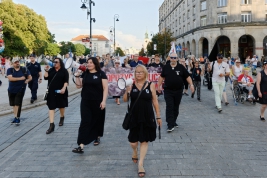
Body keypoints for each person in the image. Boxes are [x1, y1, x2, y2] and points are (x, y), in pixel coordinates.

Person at [123, 64, 161, 177]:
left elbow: (155, 101)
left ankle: (141, 164)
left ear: (145, 73)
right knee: (133, 142)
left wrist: (158, 116)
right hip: (134, 117)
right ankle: (134, 151)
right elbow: (125, 100)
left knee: (144, 140)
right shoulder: (131, 85)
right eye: (137, 72)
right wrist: (127, 91)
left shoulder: (151, 85)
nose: (138, 73)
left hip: (147, 116)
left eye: (141, 72)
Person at [72, 57, 108, 153]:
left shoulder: (101, 74)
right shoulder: (85, 74)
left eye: (91, 62)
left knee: (97, 121)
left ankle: (97, 137)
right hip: (86, 101)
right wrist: (77, 76)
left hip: (98, 101)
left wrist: (104, 101)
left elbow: (105, 88)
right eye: (88, 63)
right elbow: (78, 86)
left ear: (95, 64)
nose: (89, 64)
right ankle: (81, 145)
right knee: (85, 121)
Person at [157, 53, 194, 132]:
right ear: (169, 58)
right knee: (169, 106)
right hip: (168, 90)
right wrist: (158, 86)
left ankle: (173, 121)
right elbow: (161, 77)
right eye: (172, 57)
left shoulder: (181, 67)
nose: (173, 59)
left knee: (175, 107)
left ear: (177, 59)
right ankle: (170, 124)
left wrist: (191, 85)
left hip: (178, 91)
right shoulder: (166, 67)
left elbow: (187, 77)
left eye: (175, 58)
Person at [44, 58, 69, 134]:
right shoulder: (51, 70)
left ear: (60, 63)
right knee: (51, 107)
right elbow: (46, 78)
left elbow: (66, 81)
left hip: (61, 91)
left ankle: (62, 117)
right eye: (54, 62)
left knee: (61, 106)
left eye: (56, 62)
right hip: (51, 92)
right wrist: (46, 71)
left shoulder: (64, 71)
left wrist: (64, 88)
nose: (55, 63)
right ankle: (51, 125)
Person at [7, 58, 32, 125]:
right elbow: (10, 78)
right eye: (15, 62)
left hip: (21, 89)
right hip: (11, 89)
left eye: (18, 62)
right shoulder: (10, 70)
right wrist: (20, 78)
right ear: (12, 64)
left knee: (17, 103)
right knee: (13, 104)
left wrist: (27, 80)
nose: (17, 63)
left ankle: (17, 118)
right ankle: (15, 117)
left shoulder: (24, 69)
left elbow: (30, 77)